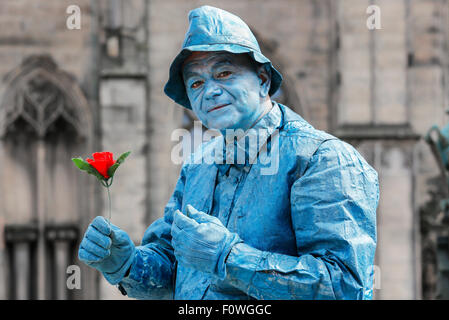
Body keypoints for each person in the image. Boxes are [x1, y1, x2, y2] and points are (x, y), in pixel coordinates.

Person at [78, 5, 379, 300]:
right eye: (196, 82)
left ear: (263, 80)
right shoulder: (198, 166)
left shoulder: (324, 159)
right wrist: (127, 264)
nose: (209, 91)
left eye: (223, 73)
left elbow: (344, 287)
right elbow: (173, 272)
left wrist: (229, 257)